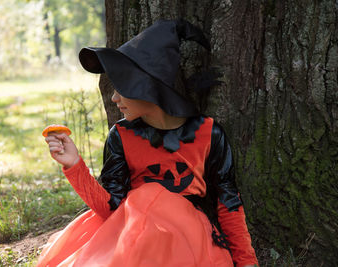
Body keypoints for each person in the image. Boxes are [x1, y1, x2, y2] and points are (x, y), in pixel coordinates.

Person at [37, 19, 259, 267]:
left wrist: (246, 261)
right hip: (133, 230)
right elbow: (111, 208)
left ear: (146, 87)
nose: (114, 98)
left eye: (121, 87)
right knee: (145, 198)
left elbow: (228, 202)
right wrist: (74, 165)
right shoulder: (121, 135)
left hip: (185, 237)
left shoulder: (208, 132)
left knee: (154, 198)